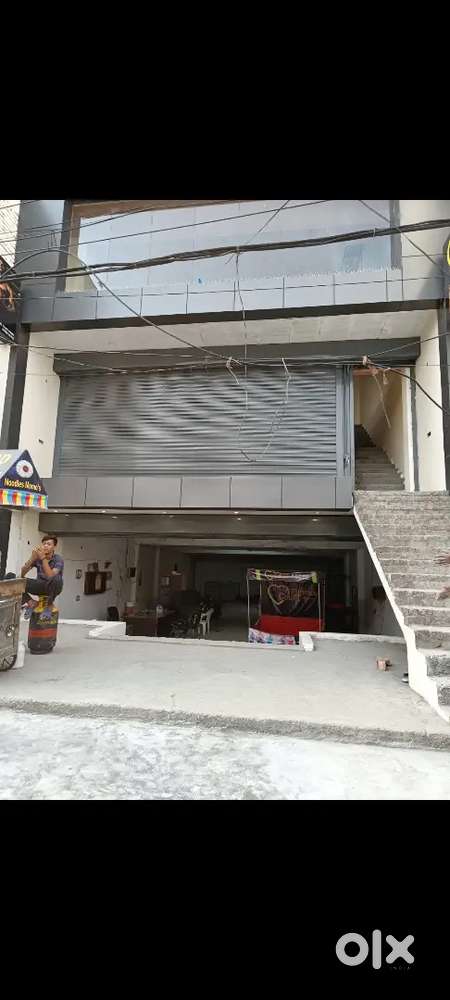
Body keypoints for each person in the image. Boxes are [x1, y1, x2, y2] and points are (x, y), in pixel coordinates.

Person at [21, 535, 64, 621]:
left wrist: (43, 558)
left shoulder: (58, 559)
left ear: (54, 547)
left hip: (53, 587)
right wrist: (32, 558)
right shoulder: (37, 558)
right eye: (44, 544)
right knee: (11, 578)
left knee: (56, 578)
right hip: (40, 586)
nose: (46, 546)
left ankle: (49, 605)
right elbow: (22, 573)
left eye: (49, 544)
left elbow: (50, 576)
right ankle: (31, 603)